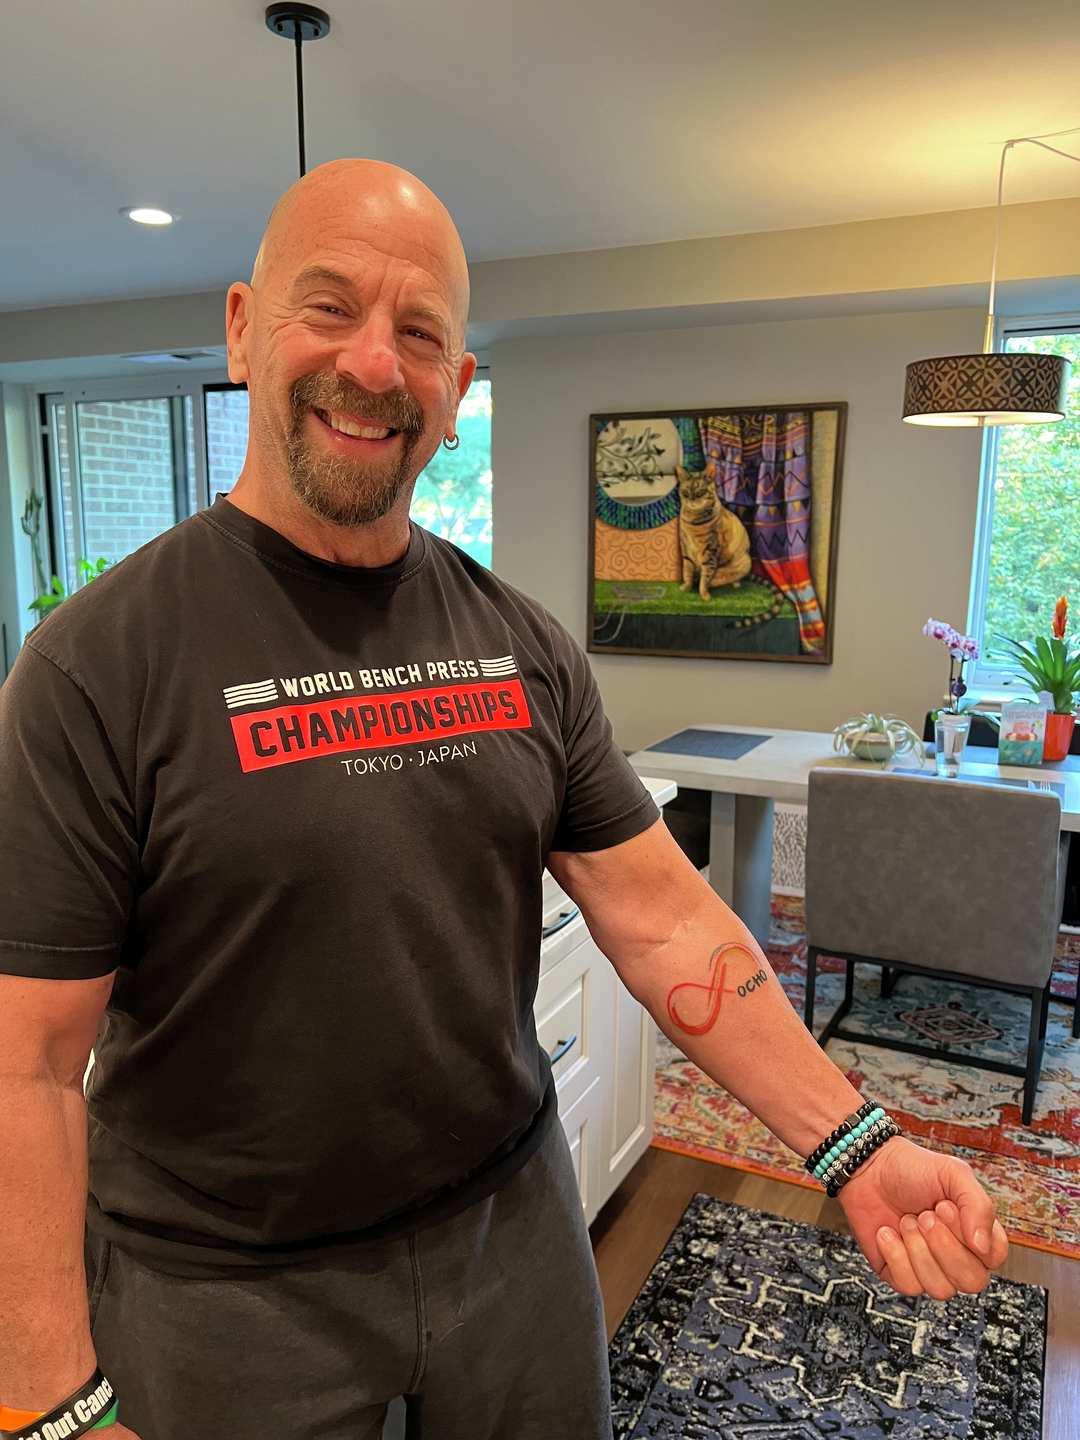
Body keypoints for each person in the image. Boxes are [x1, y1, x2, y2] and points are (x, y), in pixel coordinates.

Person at [0, 160, 1008, 1440]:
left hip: (508, 1233)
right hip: (226, 1282)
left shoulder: (519, 643)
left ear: (458, 389)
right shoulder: (98, 663)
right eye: (331, 308)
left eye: (420, 333)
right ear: (245, 330)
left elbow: (667, 922)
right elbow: (22, 1065)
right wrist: (49, 1403)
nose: (375, 366)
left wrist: (853, 1142)